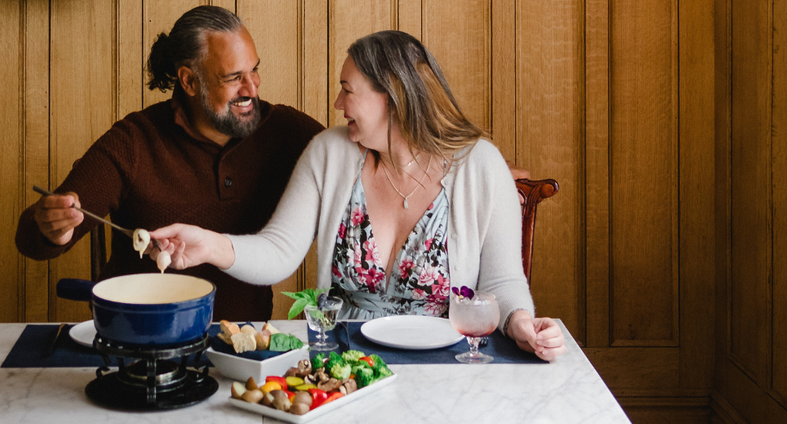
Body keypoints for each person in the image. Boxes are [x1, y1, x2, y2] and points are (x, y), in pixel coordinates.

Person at [148, 30, 567, 361]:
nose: (336, 103)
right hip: (344, 365)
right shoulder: (330, 153)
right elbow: (278, 250)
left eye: (348, 90)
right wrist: (209, 244)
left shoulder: (480, 165)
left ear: (394, 96)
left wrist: (521, 323)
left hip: (447, 364)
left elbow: (503, 280)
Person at [14, 6, 325, 321]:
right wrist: (52, 229)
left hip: (246, 345)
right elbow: (30, 238)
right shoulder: (135, 141)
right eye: (234, 78)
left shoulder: (286, 131)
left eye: (254, 70)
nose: (252, 88)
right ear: (189, 81)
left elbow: (356, 168)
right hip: (139, 338)